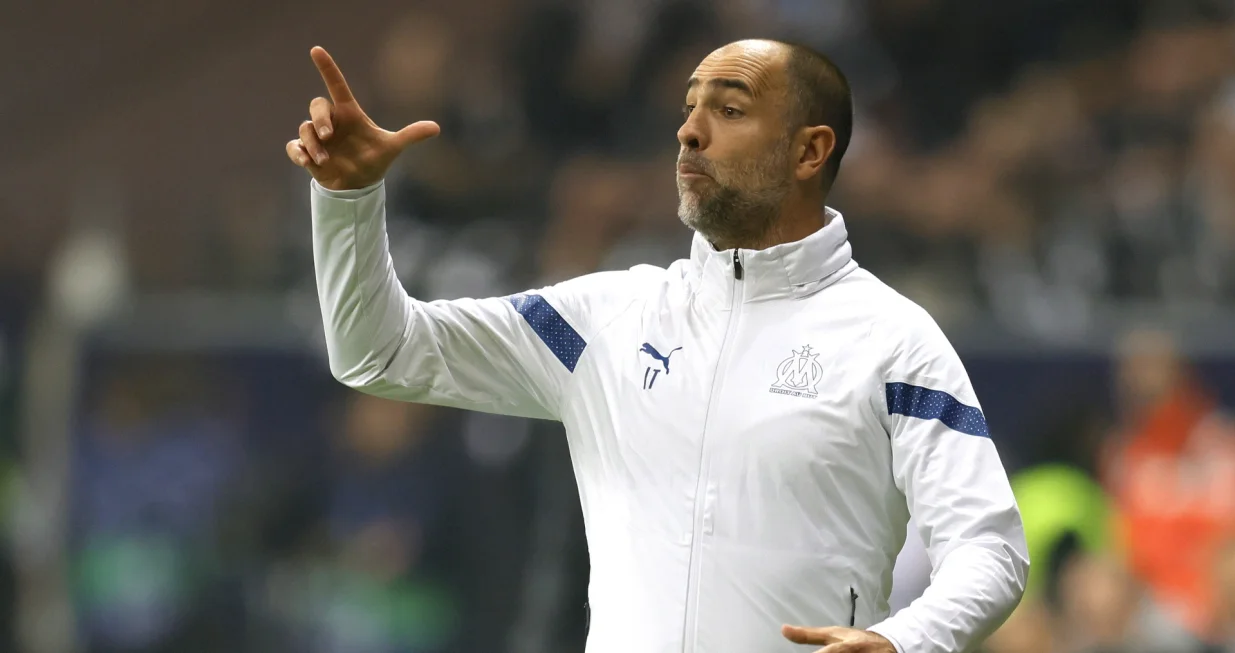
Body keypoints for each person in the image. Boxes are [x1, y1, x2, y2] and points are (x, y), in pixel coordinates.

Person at [287, 40, 1028, 653]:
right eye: (688, 109)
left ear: (810, 150)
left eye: (728, 110)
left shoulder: (892, 339)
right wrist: (348, 199)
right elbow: (380, 353)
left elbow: (990, 548)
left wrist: (904, 640)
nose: (689, 132)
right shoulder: (602, 320)